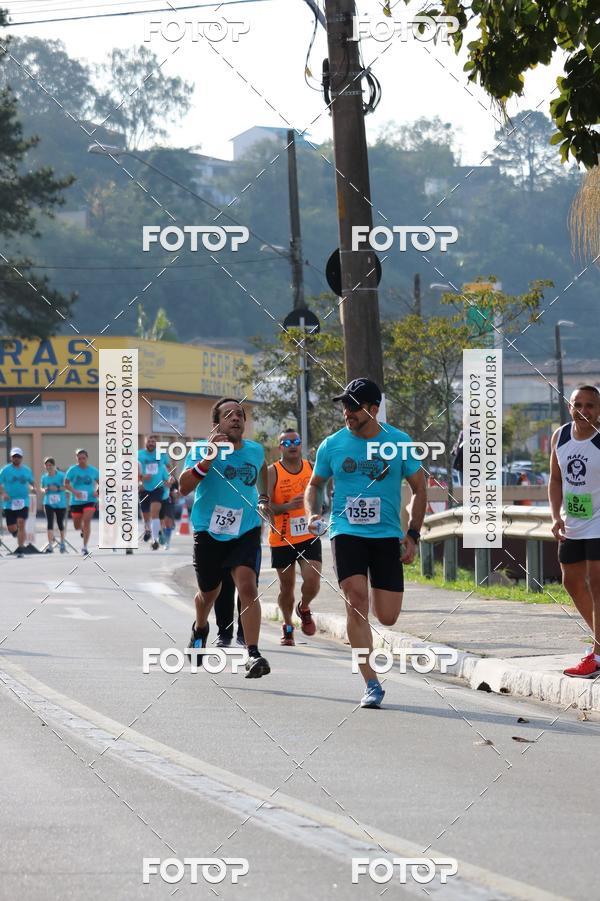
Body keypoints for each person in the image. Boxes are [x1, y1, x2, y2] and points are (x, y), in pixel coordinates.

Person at [305, 378, 426, 708]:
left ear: (374, 409)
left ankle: (372, 623)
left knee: (387, 616)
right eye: (344, 406)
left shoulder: (398, 442)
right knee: (355, 598)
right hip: (346, 531)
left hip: (387, 536)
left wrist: (413, 534)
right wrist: (313, 513)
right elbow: (314, 485)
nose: (347, 412)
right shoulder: (332, 444)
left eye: (354, 406)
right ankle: (371, 682)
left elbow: (420, 488)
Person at [179, 397, 270, 678]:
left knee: (248, 587)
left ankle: (253, 654)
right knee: (209, 593)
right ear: (216, 423)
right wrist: (209, 458)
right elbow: (183, 486)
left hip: (245, 529)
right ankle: (200, 627)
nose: (236, 418)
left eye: (240, 414)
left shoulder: (255, 451)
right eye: (228, 414)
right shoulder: (201, 450)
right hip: (209, 531)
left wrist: (264, 497)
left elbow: (264, 469)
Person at [549, 384, 600, 678]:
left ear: (599, 410)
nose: (583, 411)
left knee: (597, 582)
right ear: (569, 407)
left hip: (598, 521)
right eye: (577, 404)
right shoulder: (561, 436)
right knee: (571, 582)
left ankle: (597, 654)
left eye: (590, 405)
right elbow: (556, 480)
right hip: (573, 521)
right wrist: (555, 516)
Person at [268, 428, 321, 646]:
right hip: (282, 536)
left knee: (313, 579)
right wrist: (288, 506)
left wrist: (318, 510)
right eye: (286, 443)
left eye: (296, 441)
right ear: (280, 447)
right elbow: (266, 506)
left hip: (308, 533)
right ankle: (288, 624)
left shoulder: (311, 467)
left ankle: (304, 607)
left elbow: (321, 494)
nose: (292, 446)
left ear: (301, 445)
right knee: (286, 587)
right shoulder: (273, 471)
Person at [0, 448, 35, 557]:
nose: (16, 458)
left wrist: (33, 488)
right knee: (11, 527)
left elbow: (31, 482)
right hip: (9, 502)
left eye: (18, 456)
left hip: (23, 501)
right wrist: (3, 494)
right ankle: (17, 534)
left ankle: (20, 548)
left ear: (21, 458)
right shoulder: (5, 470)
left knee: (21, 523)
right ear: (11, 457)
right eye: (14, 456)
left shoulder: (27, 470)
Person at [65, 449, 99, 556]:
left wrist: (97, 491)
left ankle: (84, 547)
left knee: (87, 521)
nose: (81, 460)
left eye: (83, 458)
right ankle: (82, 530)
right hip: (76, 501)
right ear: (77, 459)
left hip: (90, 500)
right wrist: (74, 491)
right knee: (77, 525)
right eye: (79, 458)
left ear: (87, 458)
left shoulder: (93, 470)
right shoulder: (72, 470)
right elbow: (66, 484)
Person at [138, 435, 170, 550]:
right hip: (143, 488)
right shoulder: (139, 455)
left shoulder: (161, 454)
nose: (151, 443)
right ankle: (147, 529)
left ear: (156, 443)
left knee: (154, 513)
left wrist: (170, 480)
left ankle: (154, 540)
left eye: (153, 441)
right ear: (145, 442)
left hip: (158, 488)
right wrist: (141, 476)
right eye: (149, 441)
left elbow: (168, 466)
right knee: (146, 516)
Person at [40, 457, 67, 553]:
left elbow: (67, 487)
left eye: (50, 465)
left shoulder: (61, 476)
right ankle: (50, 546)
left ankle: (62, 543)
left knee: (60, 523)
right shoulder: (44, 477)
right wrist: (45, 490)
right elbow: (42, 488)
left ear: (54, 466)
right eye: (46, 465)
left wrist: (58, 488)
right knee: (49, 523)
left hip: (60, 503)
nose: (48, 467)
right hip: (48, 502)